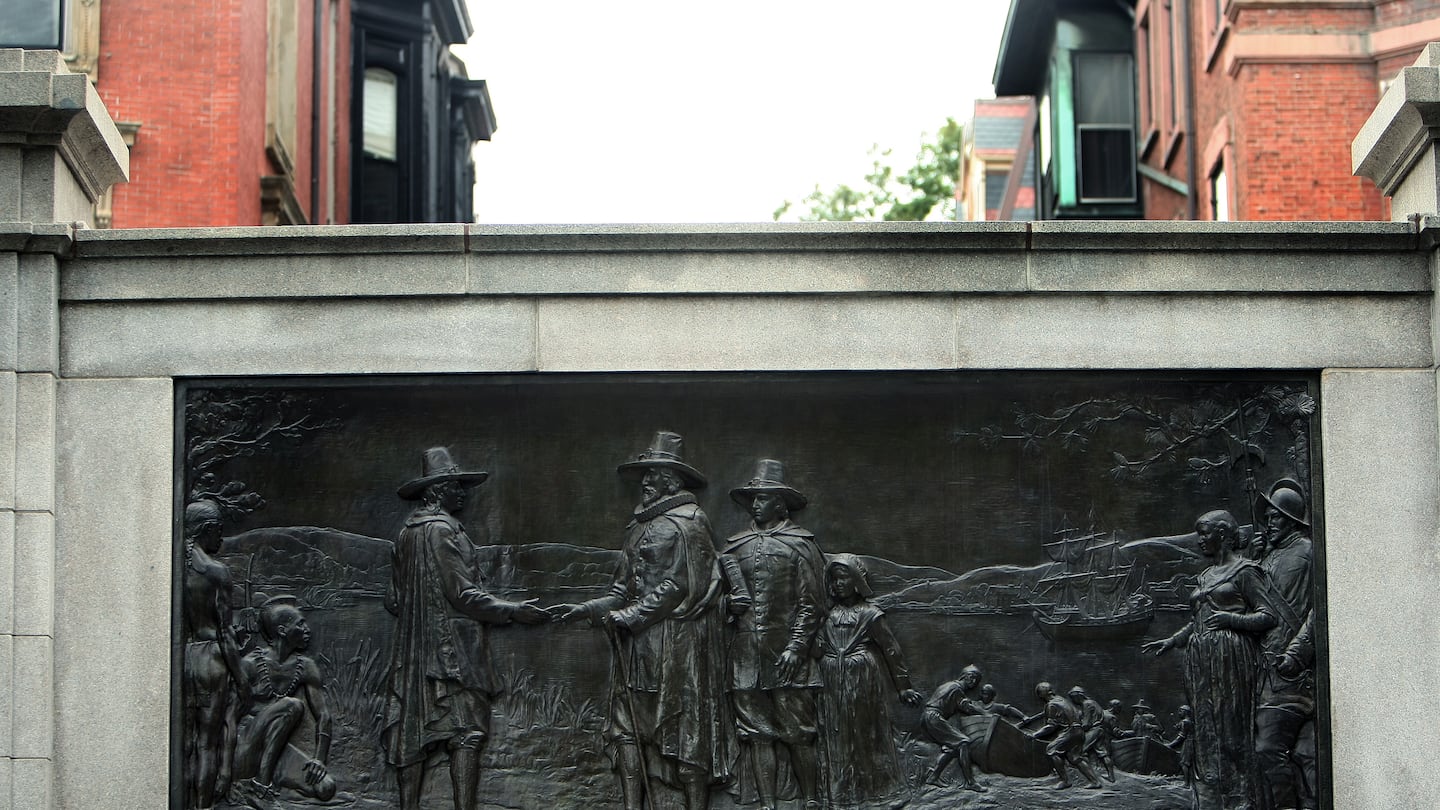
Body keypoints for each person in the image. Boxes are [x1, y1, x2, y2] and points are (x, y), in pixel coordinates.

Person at [551, 431, 730, 810]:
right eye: (645, 474)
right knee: (626, 729)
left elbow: (678, 586)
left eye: (653, 473)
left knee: (685, 732)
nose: (645, 481)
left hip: (675, 646)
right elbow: (621, 588)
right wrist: (588, 609)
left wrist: (627, 616)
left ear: (672, 479)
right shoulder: (638, 528)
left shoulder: (691, 522)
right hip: (635, 646)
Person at [381, 447, 548, 810]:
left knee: (413, 733)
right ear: (439, 490)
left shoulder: (404, 535)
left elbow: (392, 601)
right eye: (458, 486)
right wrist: (514, 611)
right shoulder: (442, 531)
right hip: (453, 651)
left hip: (413, 652)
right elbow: (463, 594)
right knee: (468, 734)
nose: (464, 493)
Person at [1143, 510, 1279, 810]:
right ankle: (1214, 793)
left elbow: (1268, 616)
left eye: (1205, 533)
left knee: (1232, 728)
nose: (1200, 540)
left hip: (1232, 659)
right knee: (1206, 729)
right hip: (1201, 661)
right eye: (1199, 534)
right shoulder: (1205, 576)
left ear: (1223, 534)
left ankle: (1243, 797)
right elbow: (1199, 620)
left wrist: (1231, 618)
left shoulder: (1245, 571)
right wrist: (1173, 640)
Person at [720, 459, 827, 810]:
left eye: (762, 498)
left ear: (780, 503)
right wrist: (727, 608)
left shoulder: (801, 544)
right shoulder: (734, 548)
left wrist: (797, 648)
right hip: (745, 656)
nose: (755, 504)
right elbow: (713, 603)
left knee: (799, 733)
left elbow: (812, 603)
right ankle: (767, 805)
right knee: (756, 735)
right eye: (753, 498)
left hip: (788, 655)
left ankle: (810, 800)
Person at [813, 554, 923, 809]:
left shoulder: (871, 614)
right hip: (830, 679)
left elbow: (891, 650)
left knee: (865, 734)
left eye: (844, 578)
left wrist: (903, 686)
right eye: (834, 579)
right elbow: (817, 648)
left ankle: (877, 795)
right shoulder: (826, 614)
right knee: (834, 735)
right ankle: (838, 797)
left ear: (857, 581)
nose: (838, 584)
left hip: (861, 678)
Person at [229, 596, 336, 806]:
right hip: (244, 748)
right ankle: (261, 787)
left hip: (275, 752)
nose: (307, 630)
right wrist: (225, 772)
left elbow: (323, 715)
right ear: (282, 630)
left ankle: (266, 781)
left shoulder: (305, 666)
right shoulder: (249, 664)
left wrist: (320, 759)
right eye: (300, 624)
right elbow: (229, 717)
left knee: (326, 787)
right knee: (292, 705)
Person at [1253, 480, 1316, 810]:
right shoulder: (1268, 556)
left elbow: (1321, 608)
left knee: (1267, 749)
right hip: (1264, 674)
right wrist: (1254, 559)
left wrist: (1298, 651)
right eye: (1269, 516)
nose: (1269, 521)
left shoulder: (1307, 551)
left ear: (1291, 519)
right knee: (1297, 756)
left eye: (1276, 516)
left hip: (1290, 675)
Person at [181, 498, 245, 810]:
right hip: (212, 659)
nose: (221, 537)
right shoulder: (216, 572)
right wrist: (243, 679)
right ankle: (203, 806)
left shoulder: (176, 568)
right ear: (206, 530)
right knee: (207, 744)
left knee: (188, 741)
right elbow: (225, 634)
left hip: (188, 657)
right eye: (218, 530)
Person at [920, 664, 988, 791]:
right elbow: (967, 707)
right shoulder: (956, 689)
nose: (973, 682)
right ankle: (970, 782)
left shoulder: (948, 685)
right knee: (964, 743)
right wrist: (986, 714)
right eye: (971, 677)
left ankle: (933, 777)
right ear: (963, 676)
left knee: (953, 748)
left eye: (976, 680)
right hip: (934, 717)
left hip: (927, 718)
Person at [1030, 682, 1102, 790]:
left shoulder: (1051, 705)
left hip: (1070, 731)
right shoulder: (1063, 700)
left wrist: (1034, 735)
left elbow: (1051, 726)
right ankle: (1095, 782)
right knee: (1075, 757)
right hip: (1079, 731)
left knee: (1051, 750)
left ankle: (1065, 781)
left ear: (1041, 695)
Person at [1070, 686, 1116, 782]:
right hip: (1100, 730)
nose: (1073, 700)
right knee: (1103, 753)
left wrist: (1077, 726)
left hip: (1093, 730)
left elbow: (1086, 724)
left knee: (1079, 751)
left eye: (1073, 698)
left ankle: (1088, 777)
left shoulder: (1086, 704)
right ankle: (1111, 776)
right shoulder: (1093, 703)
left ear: (1078, 696)